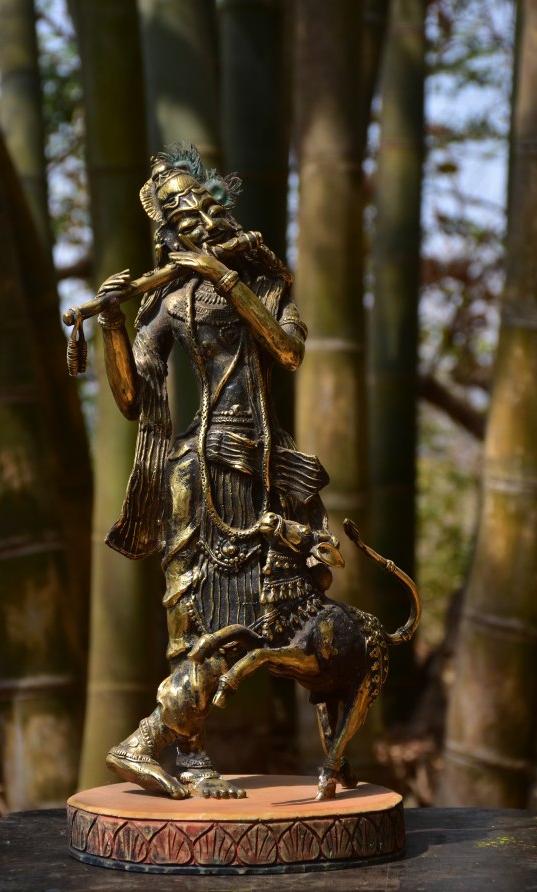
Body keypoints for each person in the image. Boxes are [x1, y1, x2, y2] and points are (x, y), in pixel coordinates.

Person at [97, 144, 332, 798]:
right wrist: (111, 324)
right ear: (167, 230)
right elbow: (132, 398)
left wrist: (222, 277)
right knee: (193, 612)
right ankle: (186, 754)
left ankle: (151, 740)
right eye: (180, 213)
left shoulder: (264, 279)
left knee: (277, 606)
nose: (197, 218)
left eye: (202, 204)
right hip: (195, 469)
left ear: (221, 204)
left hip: (259, 463)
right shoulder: (168, 298)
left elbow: (288, 350)